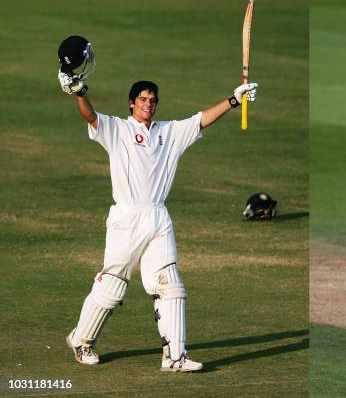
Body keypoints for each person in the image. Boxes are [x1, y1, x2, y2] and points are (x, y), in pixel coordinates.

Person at [58, 68, 257, 372]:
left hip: (159, 216)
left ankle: (174, 357)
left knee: (170, 286)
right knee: (112, 286)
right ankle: (82, 340)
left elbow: (201, 119)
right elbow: (90, 116)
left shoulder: (169, 133)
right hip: (127, 216)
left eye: (152, 100)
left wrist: (234, 100)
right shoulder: (117, 129)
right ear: (131, 104)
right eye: (142, 99)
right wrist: (79, 92)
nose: (148, 104)